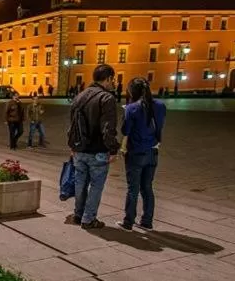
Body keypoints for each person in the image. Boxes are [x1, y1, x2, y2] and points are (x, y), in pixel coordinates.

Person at [65, 64, 120, 230]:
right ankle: (89, 219)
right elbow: (108, 129)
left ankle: (78, 214)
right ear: (108, 78)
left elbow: (72, 124)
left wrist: (72, 145)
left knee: (80, 183)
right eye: (113, 79)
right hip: (98, 151)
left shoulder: (80, 96)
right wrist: (113, 149)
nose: (114, 83)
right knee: (96, 185)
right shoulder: (107, 98)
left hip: (79, 149)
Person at [119, 78, 166, 231]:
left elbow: (125, 130)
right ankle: (147, 221)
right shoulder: (160, 106)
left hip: (136, 152)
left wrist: (125, 113)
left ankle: (128, 222)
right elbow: (159, 126)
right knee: (147, 187)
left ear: (132, 91)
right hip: (153, 151)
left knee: (133, 188)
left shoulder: (132, 108)